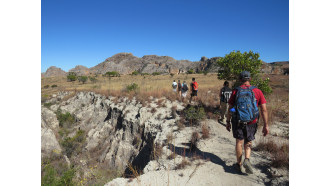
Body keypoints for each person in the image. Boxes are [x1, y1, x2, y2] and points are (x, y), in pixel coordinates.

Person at [226, 71, 269, 174]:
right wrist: (266, 125)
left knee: (239, 142)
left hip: (238, 121)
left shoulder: (236, 91)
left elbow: (230, 108)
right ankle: (247, 159)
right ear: (250, 79)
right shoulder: (257, 91)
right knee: (248, 141)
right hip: (252, 121)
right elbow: (264, 109)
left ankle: (239, 164)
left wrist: (228, 121)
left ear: (240, 79)